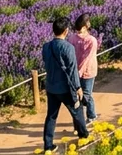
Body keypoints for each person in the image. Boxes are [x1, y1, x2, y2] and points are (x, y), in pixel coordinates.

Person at [41, 17, 89, 153]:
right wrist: (78, 88)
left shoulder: (46, 47)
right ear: (66, 31)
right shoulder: (68, 48)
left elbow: (46, 61)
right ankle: (83, 135)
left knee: (51, 116)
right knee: (77, 111)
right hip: (65, 88)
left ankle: (48, 145)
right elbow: (73, 70)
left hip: (51, 87)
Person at [67, 14, 99, 123]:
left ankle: (91, 115)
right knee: (80, 96)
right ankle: (82, 117)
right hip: (78, 72)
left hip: (88, 72)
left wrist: (78, 72)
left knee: (87, 95)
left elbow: (87, 58)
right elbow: (71, 55)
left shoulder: (91, 40)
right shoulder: (73, 38)